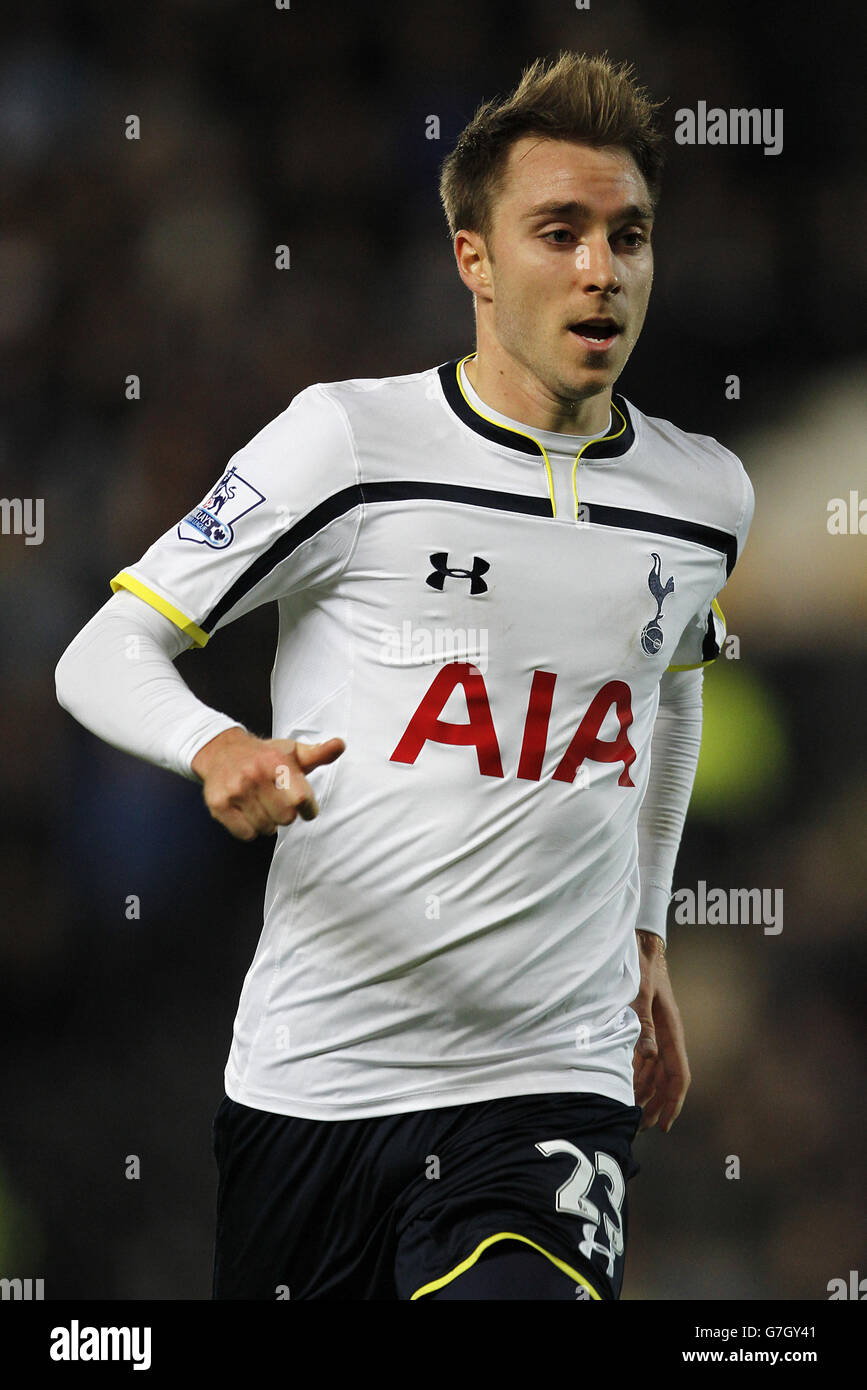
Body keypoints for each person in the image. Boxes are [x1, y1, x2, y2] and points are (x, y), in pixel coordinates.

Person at [55, 50, 753, 1300]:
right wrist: (215, 748)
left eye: (629, 235)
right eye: (560, 231)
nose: (603, 269)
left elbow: (670, 691)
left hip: (553, 1078)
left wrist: (647, 930)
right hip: (317, 1082)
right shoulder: (351, 443)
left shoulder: (706, 497)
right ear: (473, 259)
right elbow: (104, 649)